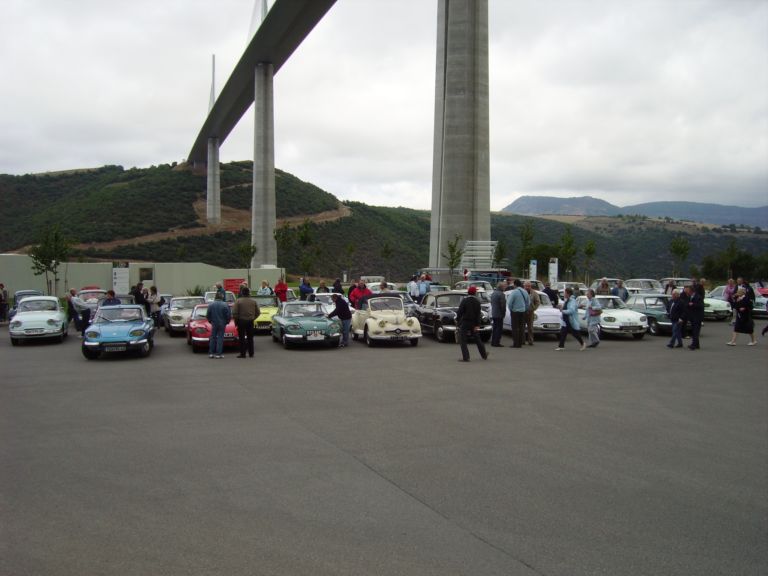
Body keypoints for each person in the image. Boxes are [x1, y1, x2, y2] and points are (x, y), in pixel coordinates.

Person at [456, 286, 488, 362]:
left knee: (463, 340)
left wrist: (458, 320)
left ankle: (466, 357)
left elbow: (460, 311)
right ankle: (484, 354)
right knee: (477, 339)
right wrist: (477, 325)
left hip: (465, 322)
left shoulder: (465, 301)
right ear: (475, 293)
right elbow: (478, 314)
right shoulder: (477, 302)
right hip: (474, 323)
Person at [232, 287, 260, 358]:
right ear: (249, 293)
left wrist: (236, 321)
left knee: (241, 338)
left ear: (242, 293)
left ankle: (243, 353)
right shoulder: (253, 301)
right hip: (250, 321)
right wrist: (253, 318)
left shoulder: (238, 301)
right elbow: (258, 312)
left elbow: (235, 313)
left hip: (241, 321)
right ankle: (251, 353)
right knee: (250, 338)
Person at [206, 292, 232, 359]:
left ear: (215, 297)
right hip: (222, 323)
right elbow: (228, 315)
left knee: (213, 337)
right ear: (222, 297)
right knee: (220, 338)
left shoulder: (211, 305)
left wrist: (210, 321)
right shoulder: (225, 304)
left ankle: (211, 353)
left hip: (214, 323)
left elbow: (208, 315)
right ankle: (218, 354)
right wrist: (227, 322)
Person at [506, 279, 529, 348]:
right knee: (521, 328)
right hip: (523, 312)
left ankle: (516, 343)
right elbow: (528, 302)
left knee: (515, 328)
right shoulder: (525, 292)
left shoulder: (514, 292)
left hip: (515, 312)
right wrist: (525, 309)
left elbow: (509, 303)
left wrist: (511, 309)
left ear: (515, 285)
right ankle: (520, 343)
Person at [685, 285, 704, 350]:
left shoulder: (698, 297)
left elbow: (701, 306)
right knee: (694, 331)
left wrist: (693, 304)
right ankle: (697, 345)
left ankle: (693, 345)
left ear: (691, 291)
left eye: (688, 290)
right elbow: (687, 304)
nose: (687, 291)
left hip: (697, 317)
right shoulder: (690, 296)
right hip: (692, 316)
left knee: (696, 331)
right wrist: (688, 304)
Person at [489, 281, 507, 347]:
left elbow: (491, 303)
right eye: (504, 286)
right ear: (501, 287)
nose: (505, 288)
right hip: (499, 314)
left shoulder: (493, 293)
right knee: (499, 328)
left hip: (494, 313)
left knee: (495, 328)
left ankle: (493, 341)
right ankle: (497, 342)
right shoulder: (501, 294)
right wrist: (503, 313)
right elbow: (503, 305)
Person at [524, 281, 540, 346]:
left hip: (530, 312)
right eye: (526, 286)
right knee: (522, 327)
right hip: (522, 311)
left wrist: (534, 308)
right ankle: (522, 340)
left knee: (530, 327)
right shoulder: (522, 292)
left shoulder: (534, 293)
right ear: (524, 286)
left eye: (529, 286)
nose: (527, 287)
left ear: (530, 286)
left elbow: (538, 302)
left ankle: (530, 340)